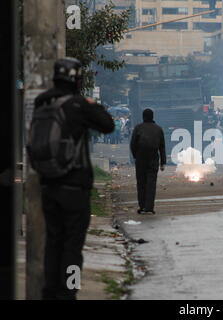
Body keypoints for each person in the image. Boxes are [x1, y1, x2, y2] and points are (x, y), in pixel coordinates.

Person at [33, 57, 114, 300]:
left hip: (48, 184)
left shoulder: (41, 101)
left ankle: (50, 291)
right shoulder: (78, 105)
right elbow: (107, 125)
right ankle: (69, 291)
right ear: (77, 80)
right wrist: (91, 103)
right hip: (75, 187)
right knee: (73, 247)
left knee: (53, 242)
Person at [130, 108, 166, 214]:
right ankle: (149, 207)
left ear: (143, 117)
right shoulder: (158, 129)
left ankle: (142, 207)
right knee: (151, 183)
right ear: (152, 117)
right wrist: (162, 162)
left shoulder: (138, 128)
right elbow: (162, 147)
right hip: (153, 159)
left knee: (141, 183)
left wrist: (136, 156)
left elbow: (133, 144)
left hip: (141, 159)